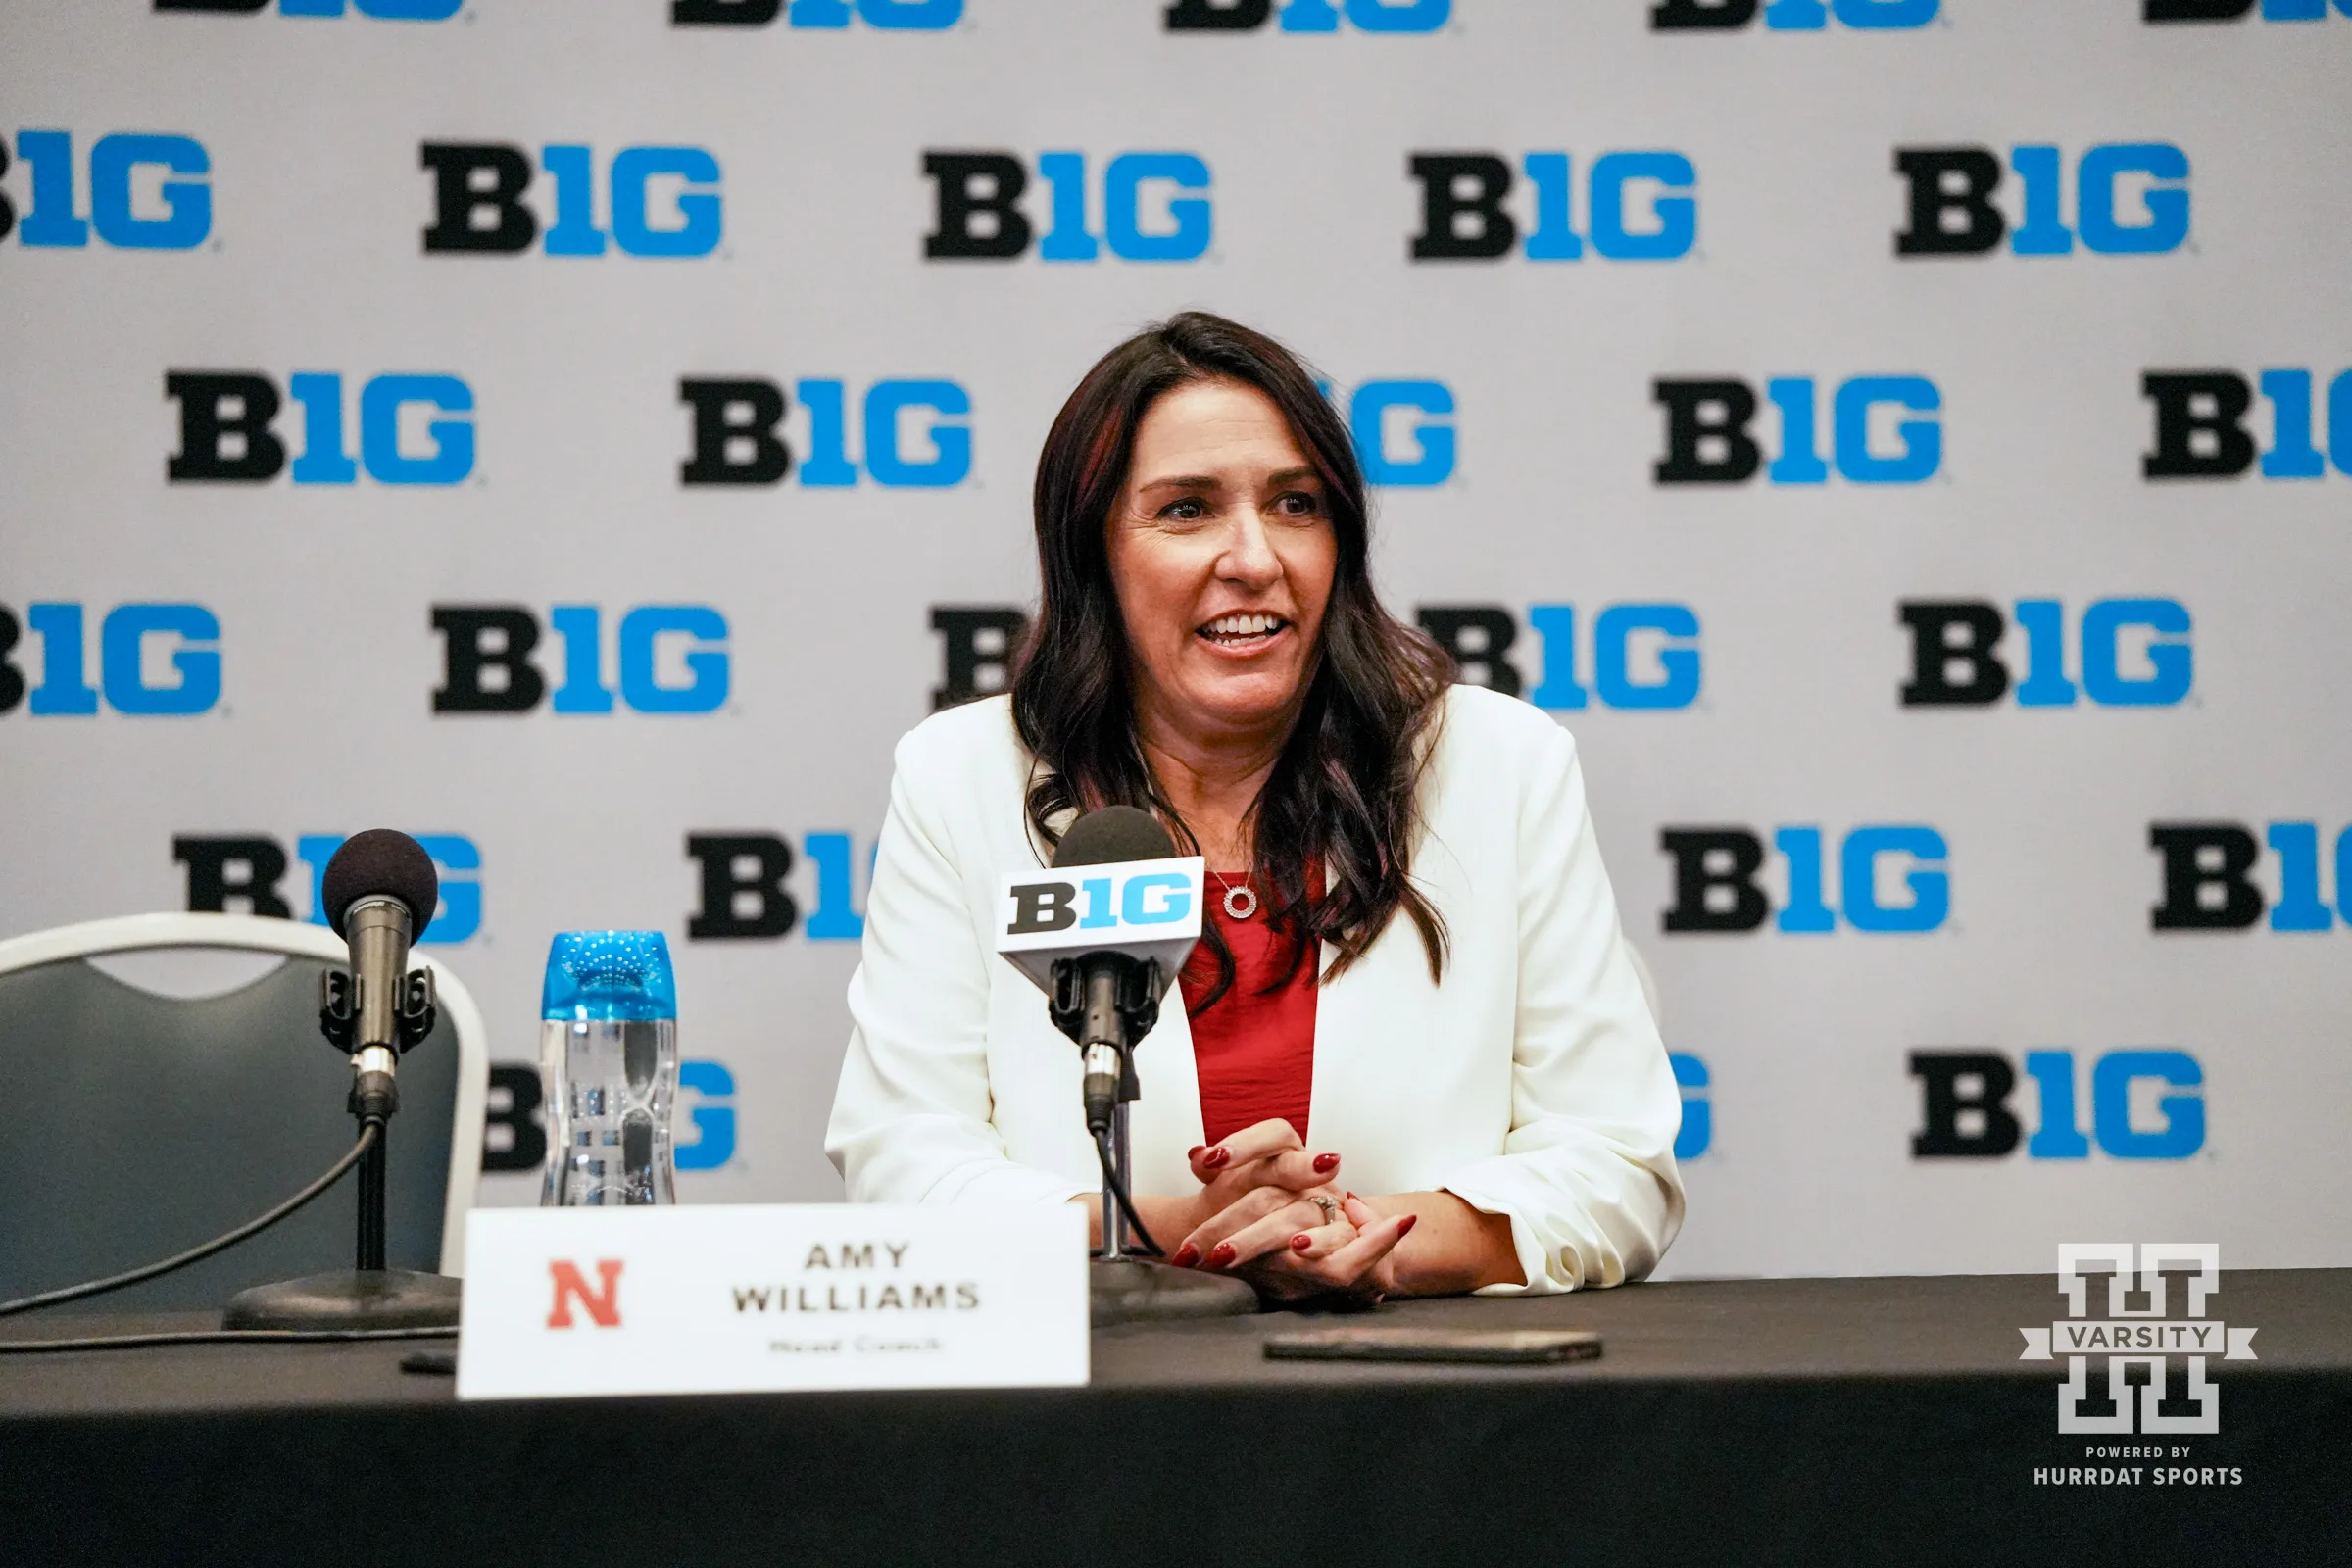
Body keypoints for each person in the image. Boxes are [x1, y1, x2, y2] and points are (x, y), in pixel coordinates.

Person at [827, 312, 1683, 1300]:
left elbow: (1618, 1162)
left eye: (1295, 504)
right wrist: (1166, 1232)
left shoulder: (1498, 765)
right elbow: (904, 1165)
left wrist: (1372, 1243)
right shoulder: (963, 776)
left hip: (1431, 1408)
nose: (1254, 557)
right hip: (1093, 1412)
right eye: (1187, 510)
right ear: (1093, 552)